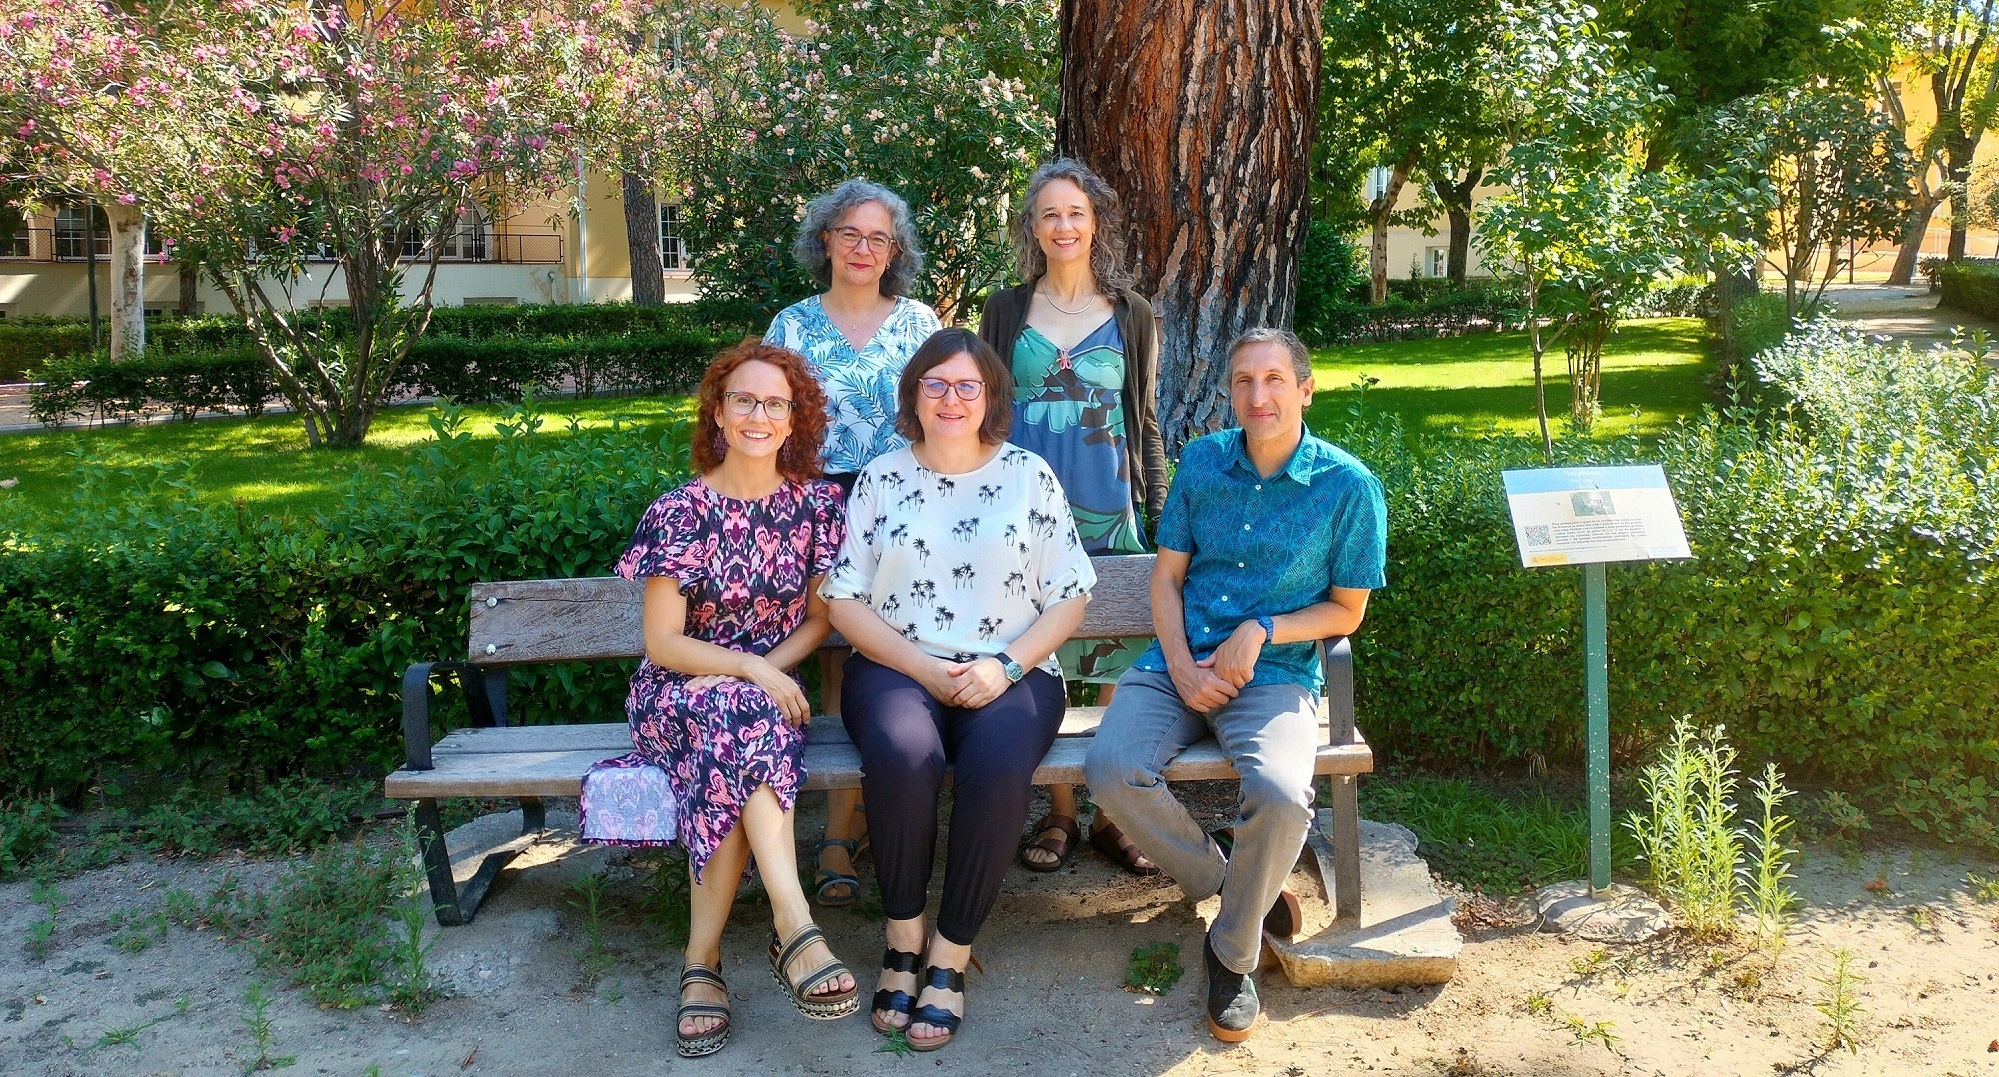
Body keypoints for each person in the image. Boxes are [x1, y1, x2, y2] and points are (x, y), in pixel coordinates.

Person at [1083, 328, 1387, 1044]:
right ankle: (1232, 885)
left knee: (1282, 795)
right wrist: (1182, 662)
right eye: (1244, 381)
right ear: (1230, 392)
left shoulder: (1348, 486)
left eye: (1275, 380)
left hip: (1273, 677)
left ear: (1304, 390)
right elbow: (1165, 577)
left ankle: (1231, 953)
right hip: (1173, 666)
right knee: (1110, 768)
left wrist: (1262, 628)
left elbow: (1347, 610)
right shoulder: (1202, 463)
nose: (1259, 396)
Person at [821, 328, 1096, 1052]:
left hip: (1012, 670)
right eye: (935, 384)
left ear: (992, 397)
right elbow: (843, 599)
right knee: (903, 755)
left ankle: (950, 948)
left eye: (967, 385)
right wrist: (917, 665)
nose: (950, 398)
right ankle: (902, 936)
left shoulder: (1029, 474)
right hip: (894, 667)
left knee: (1000, 766)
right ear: (913, 393)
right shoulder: (880, 477)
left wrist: (1003, 665)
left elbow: (1070, 596)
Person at [582, 342, 859, 1057]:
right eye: (744, 399)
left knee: (737, 731)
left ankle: (701, 966)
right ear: (718, 411)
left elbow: (823, 618)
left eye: (775, 402)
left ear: (795, 417)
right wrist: (747, 670)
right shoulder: (680, 509)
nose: (758, 414)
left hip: (763, 695)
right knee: (739, 723)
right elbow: (663, 642)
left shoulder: (817, 505)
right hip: (677, 694)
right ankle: (794, 925)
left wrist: (759, 672)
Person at [979, 157, 1167, 878]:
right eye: (1049, 213)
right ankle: (1059, 811)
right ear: (1032, 225)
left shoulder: (1132, 313)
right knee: (1043, 656)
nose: (1063, 225)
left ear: (1095, 225)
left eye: (1075, 213)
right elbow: (987, 415)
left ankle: (1113, 815)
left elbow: (1143, 418)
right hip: (1023, 512)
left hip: (1109, 506)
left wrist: (1156, 509)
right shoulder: (1004, 311)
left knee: (1118, 661)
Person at [765, 178, 943, 907]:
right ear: (825, 241)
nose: (862, 249)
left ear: (892, 250)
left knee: (885, 655)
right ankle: (840, 829)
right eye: (849, 234)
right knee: (833, 655)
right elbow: (765, 419)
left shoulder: (920, 322)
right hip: (813, 503)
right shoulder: (792, 325)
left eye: (878, 238)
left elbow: (945, 417)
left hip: (901, 505)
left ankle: (868, 814)